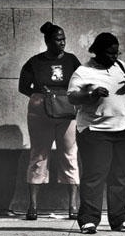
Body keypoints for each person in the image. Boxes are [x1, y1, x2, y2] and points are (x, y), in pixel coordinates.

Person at [67, 32, 125, 234]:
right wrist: (91, 94)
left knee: (119, 176)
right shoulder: (83, 72)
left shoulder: (122, 66)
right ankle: (88, 220)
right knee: (94, 176)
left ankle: (119, 219)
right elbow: (72, 98)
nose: (114, 57)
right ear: (97, 52)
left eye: (117, 53)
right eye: (110, 53)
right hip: (95, 131)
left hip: (124, 129)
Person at [19, 22, 81, 220]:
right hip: (41, 113)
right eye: (58, 39)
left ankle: (73, 206)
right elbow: (23, 86)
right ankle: (33, 207)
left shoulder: (71, 60)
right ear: (47, 41)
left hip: (65, 113)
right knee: (38, 156)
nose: (62, 42)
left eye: (64, 39)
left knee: (69, 156)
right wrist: (40, 97)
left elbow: (81, 81)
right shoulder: (35, 62)